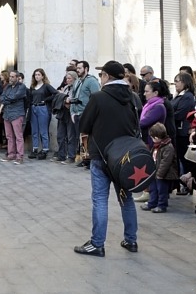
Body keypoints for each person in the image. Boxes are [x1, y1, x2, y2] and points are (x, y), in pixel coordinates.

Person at [73, 60, 139, 257]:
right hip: (125, 157)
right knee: (126, 199)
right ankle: (131, 240)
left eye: (101, 75)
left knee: (100, 200)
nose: (100, 78)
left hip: (101, 156)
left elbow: (84, 125)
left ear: (108, 76)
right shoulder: (133, 97)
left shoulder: (99, 97)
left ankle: (97, 243)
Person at [139, 122, 178, 214]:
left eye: (152, 138)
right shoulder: (157, 146)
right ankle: (152, 202)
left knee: (162, 190)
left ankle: (162, 205)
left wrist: (160, 174)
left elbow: (166, 163)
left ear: (156, 138)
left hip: (163, 174)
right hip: (155, 172)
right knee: (153, 188)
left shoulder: (168, 147)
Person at [69, 61, 100, 168]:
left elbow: (96, 97)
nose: (77, 70)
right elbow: (73, 97)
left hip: (86, 113)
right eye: (77, 68)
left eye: (80, 68)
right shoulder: (77, 81)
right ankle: (85, 158)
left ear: (86, 68)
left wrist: (91, 113)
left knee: (88, 137)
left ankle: (91, 159)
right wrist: (72, 112)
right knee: (81, 137)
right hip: (77, 113)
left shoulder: (91, 81)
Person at [172, 72, 196, 195]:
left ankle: (187, 184)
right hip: (178, 131)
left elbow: (180, 114)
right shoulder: (178, 96)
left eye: (178, 81)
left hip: (182, 132)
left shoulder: (187, 96)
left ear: (185, 82)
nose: (175, 83)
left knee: (184, 159)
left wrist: (171, 115)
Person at [27, 68, 57, 160]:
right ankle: (35, 148)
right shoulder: (32, 87)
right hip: (33, 107)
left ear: (43, 76)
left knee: (43, 130)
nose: (37, 76)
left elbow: (55, 93)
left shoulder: (46, 86)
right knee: (34, 130)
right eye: (35, 75)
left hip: (42, 107)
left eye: (39, 75)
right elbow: (30, 98)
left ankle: (45, 149)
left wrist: (46, 100)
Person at [0, 70, 27, 164]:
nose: (10, 78)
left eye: (13, 77)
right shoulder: (8, 87)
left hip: (17, 114)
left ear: (17, 78)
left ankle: (20, 156)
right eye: (10, 76)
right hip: (7, 114)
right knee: (9, 136)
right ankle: (11, 154)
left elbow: (15, 97)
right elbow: (1, 98)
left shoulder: (22, 87)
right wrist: (7, 99)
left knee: (18, 136)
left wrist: (7, 99)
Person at [53, 70, 78, 164]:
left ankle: (71, 156)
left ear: (74, 79)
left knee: (71, 136)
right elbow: (61, 98)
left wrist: (65, 99)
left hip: (70, 113)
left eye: (69, 78)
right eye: (66, 78)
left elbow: (71, 100)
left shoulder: (76, 87)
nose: (67, 80)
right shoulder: (66, 87)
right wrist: (64, 99)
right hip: (62, 112)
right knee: (60, 135)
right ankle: (61, 155)